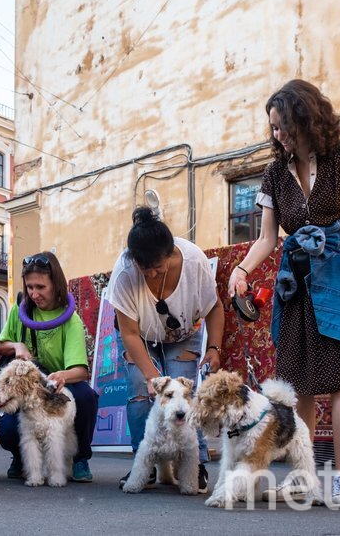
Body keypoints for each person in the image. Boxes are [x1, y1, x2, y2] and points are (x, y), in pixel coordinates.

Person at [227, 79, 340, 509]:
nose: (276, 134)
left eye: (280, 125)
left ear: (303, 117)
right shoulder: (273, 173)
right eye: (271, 127)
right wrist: (241, 269)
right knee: (299, 381)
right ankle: (305, 478)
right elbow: (268, 237)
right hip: (300, 281)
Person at [107, 208, 224, 493]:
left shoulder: (194, 261)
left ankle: (194, 466)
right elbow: (129, 333)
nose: (152, 274)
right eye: (144, 269)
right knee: (137, 391)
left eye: (157, 267)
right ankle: (142, 465)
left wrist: (214, 347)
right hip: (140, 337)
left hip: (183, 335)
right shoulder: (124, 273)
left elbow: (215, 307)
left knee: (184, 394)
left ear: (170, 253)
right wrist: (150, 377)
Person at [0, 251, 100, 483]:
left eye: (41, 287)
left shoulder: (71, 319)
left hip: (59, 384)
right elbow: (0, 345)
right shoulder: (20, 310)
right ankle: (21, 457)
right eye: (30, 287)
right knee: (9, 430)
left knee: (86, 398)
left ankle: (80, 457)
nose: (34, 294)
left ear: (56, 284)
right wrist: (17, 345)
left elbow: (81, 371)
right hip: (29, 386)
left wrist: (62, 375)